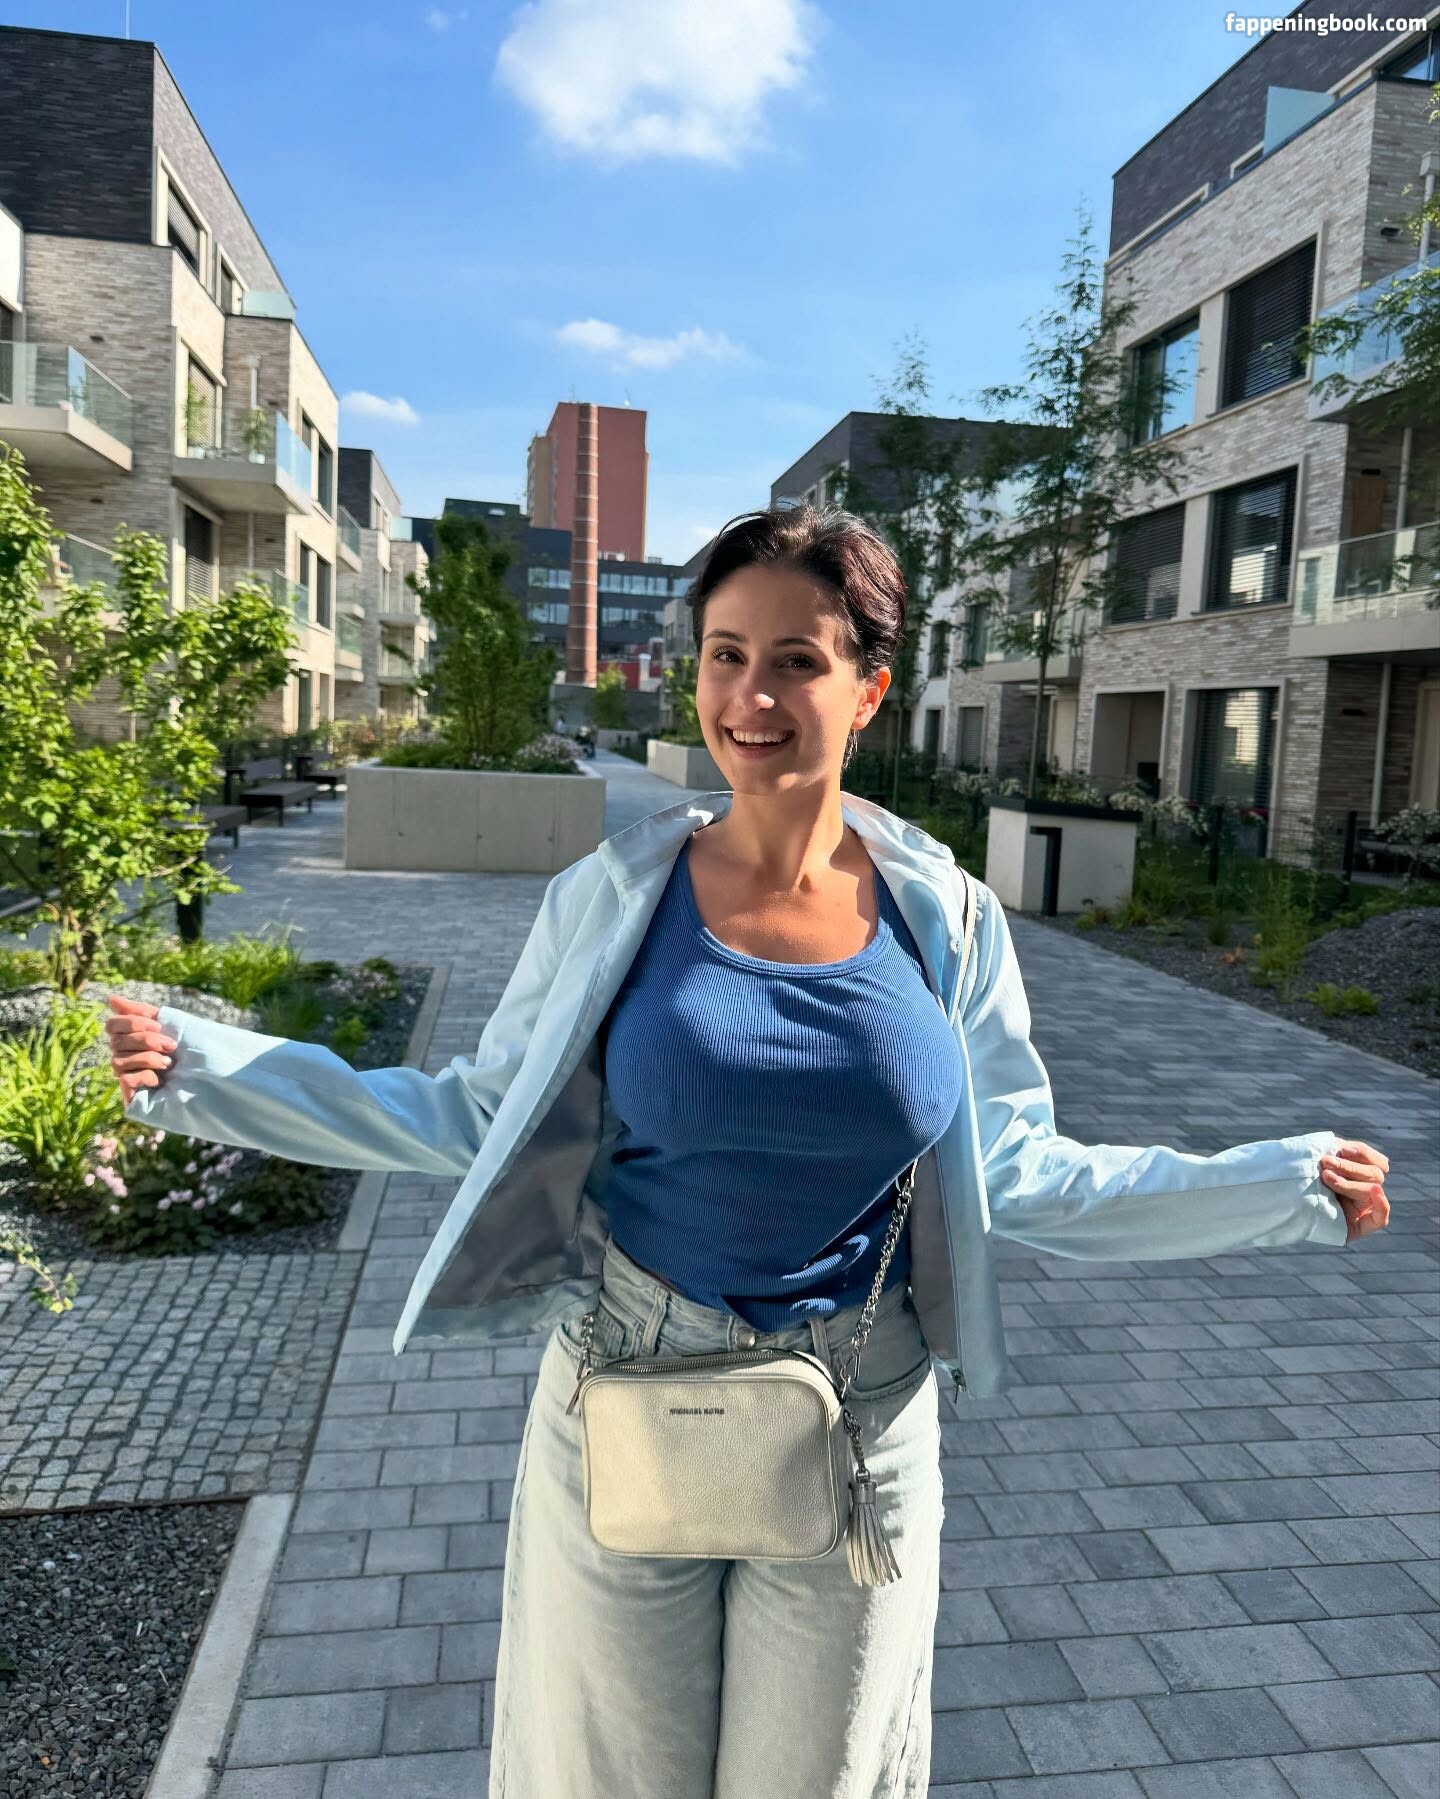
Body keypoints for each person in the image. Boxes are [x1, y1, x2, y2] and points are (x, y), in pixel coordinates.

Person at [105, 504, 1392, 1798]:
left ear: (870, 689)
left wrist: (1279, 1187)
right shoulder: (614, 895)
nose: (751, 696)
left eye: (796, 661)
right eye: (726, 656)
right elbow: (473, 1113)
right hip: (624, 1389)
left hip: (859, 1424)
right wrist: (214, 1073)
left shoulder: (946, 918)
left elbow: (1020, 1173)